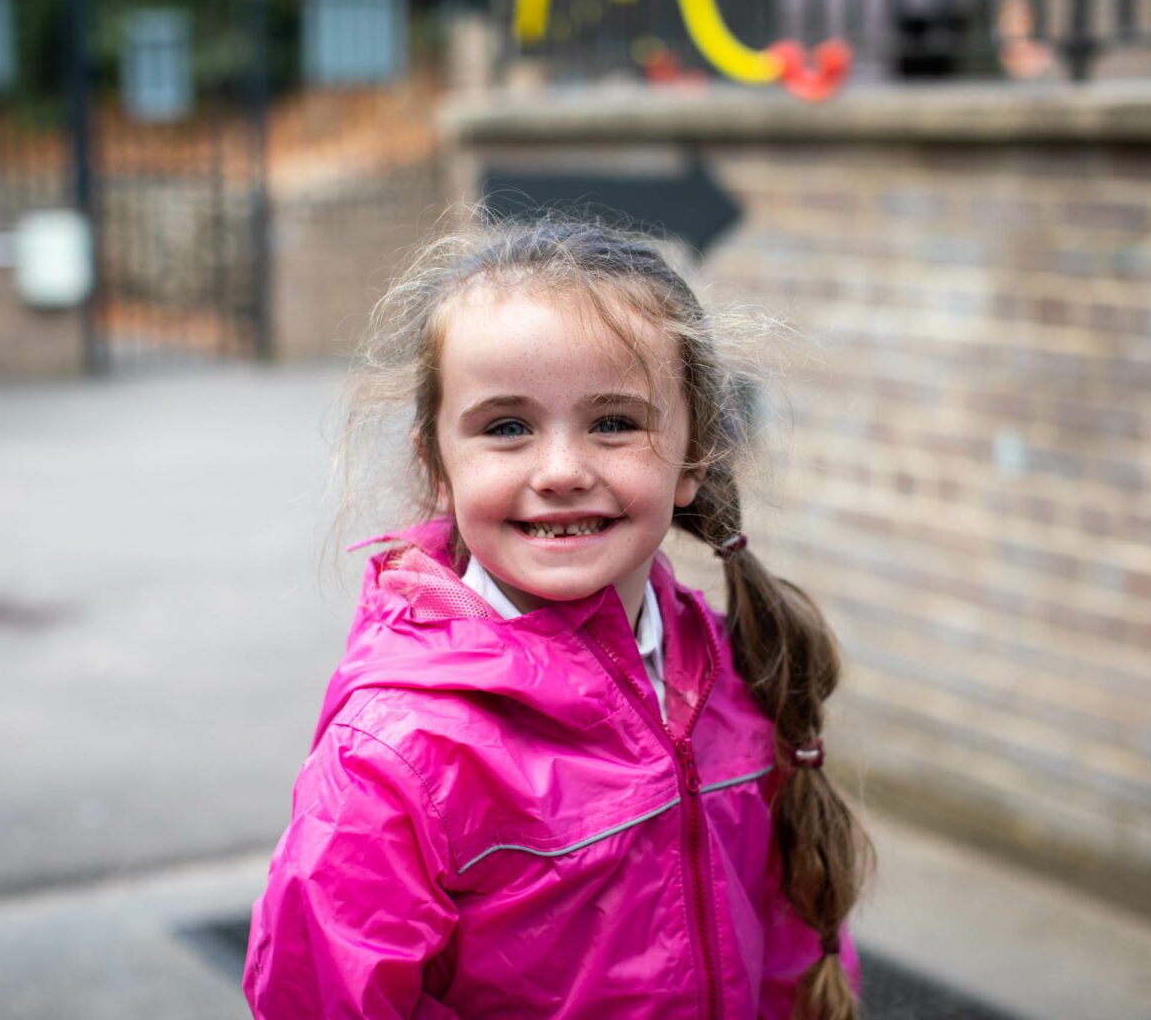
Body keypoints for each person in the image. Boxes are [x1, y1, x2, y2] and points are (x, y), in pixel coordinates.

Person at [243, 215, 871, 1019]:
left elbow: (789, 945)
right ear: (437, 467)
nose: (563, 470)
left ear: (694, 458)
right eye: (507, 428)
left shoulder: (730, 667)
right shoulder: (396, 757)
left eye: (614, 423)